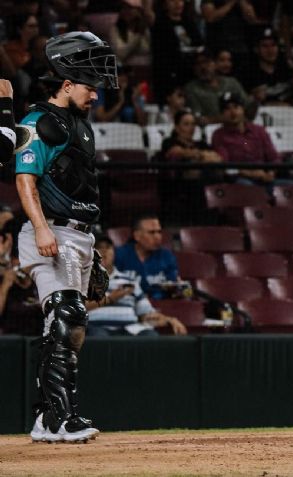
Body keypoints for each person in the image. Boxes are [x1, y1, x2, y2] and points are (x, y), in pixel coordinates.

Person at [15, 31, 118, 443]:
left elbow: (82, 190)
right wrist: (40, 227)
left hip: (78, 237)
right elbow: (25, 179)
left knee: (67, 330)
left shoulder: (80, 126)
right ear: (67, 84)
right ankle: (62, 418)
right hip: (49, 232)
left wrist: (94, 259)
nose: (95, 95)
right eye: (90, 87)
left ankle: (45, 418)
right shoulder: (38, 121)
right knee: (66, 318)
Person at [86, 238, 187, 337]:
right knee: (99, 336)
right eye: (98, 247)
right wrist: (111, 298)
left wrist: (169, 320)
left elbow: (145, 314)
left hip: (130, 329)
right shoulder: (83, 280)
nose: (103, 251)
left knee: (150, 336)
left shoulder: (129, 281)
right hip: (97, 328)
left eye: (108, 247)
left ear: (114, 253)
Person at [210, 91, 282, 186]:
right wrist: (252, 174)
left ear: (243, 109)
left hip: (265, 179)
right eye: (227, 109)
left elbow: (274, 158)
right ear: (222, 113)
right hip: (239, 180)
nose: (233, 112)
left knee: (292, 185)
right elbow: (225, 166)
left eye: (236, 107)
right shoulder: (219, 135)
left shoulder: (259, 130)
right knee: (246, 186)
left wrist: (270, 173)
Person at [114, 214, 178, 300]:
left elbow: (172, 287)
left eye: (159, 232)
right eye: (151, 232)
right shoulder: (119, 256)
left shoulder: (167, 257)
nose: (157, 237)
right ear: (137, 236)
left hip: (160, 306)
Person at [183, 51, 250, 126]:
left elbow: (248, 107)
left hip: (239, 128)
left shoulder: (232, 83)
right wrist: (229, 118)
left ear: (216, 64)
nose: (203, 67)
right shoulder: (191, 89)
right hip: (211, 131)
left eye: (207, 62)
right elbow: (198, 119)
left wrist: (256, 100)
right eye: (198, 64)